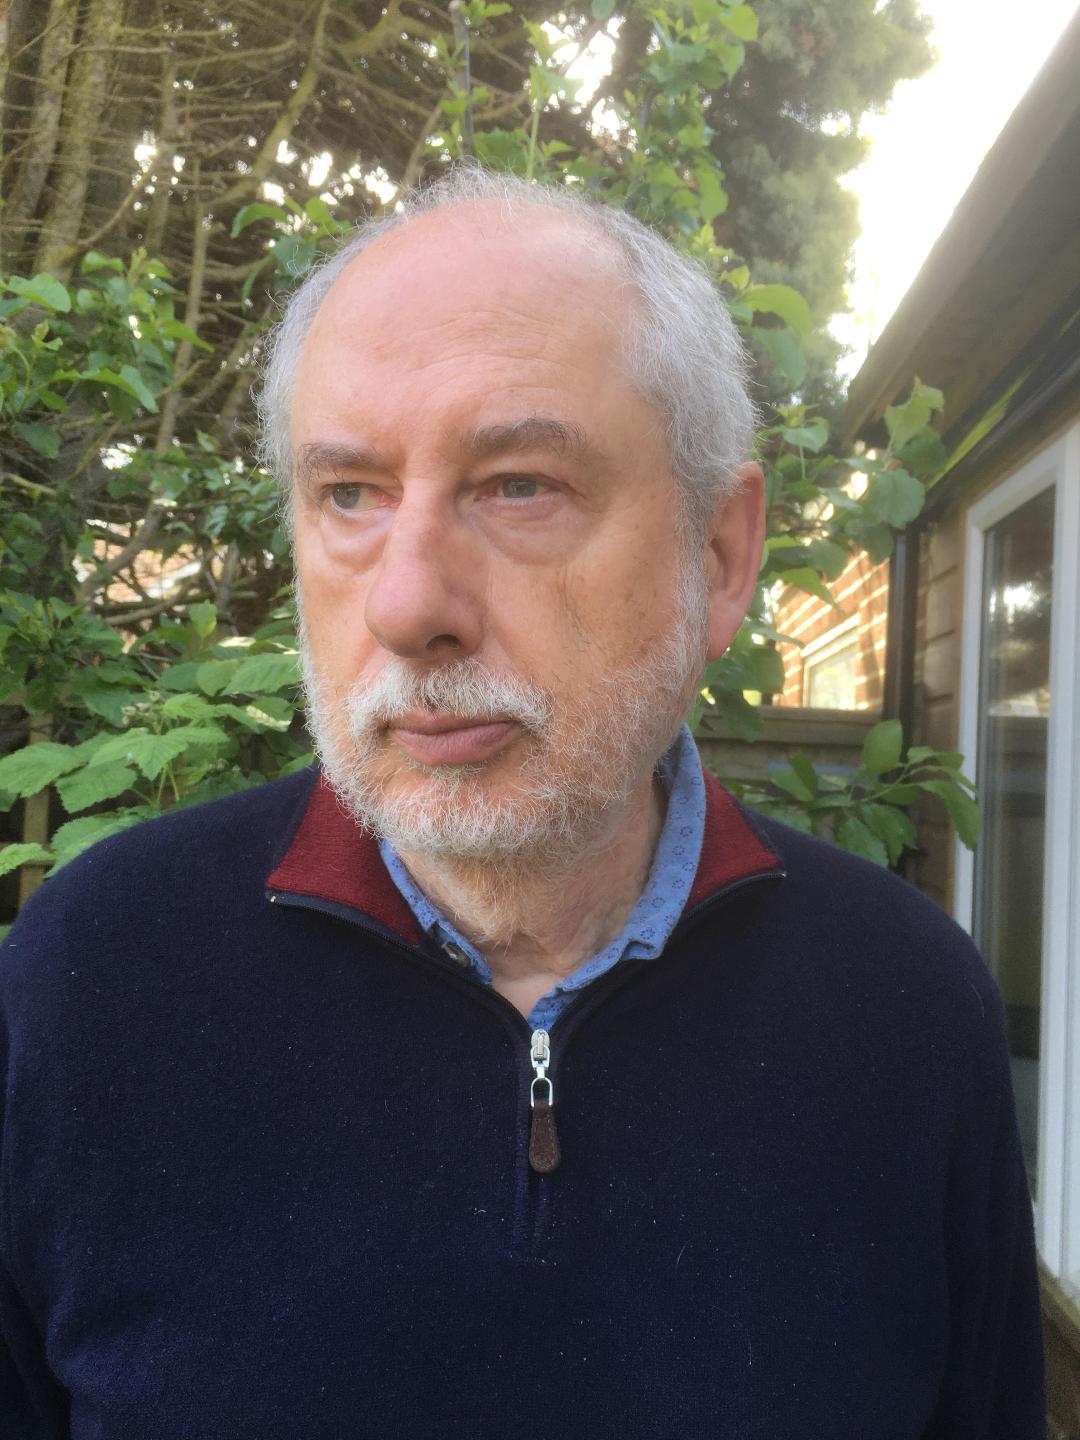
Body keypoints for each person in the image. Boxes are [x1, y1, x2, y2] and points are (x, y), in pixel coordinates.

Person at [0, 168, 1044, 1439]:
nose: (406, 605)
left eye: (518, 487)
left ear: (719, 555)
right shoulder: (89, 981)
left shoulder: (905, 1010)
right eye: (350, 495)